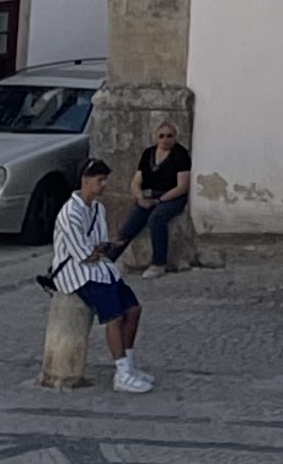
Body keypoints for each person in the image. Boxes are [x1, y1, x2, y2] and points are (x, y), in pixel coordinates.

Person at [51, 156, 153, 392]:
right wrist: (98, 249)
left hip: (101, 269)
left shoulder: (98, 208)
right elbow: (84, 254)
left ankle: (128, 363)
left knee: (133, 309)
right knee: (114, 316)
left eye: (105, 179)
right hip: (78, 273)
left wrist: (99, 249)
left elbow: (100, 245)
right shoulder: (69, 214)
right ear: (85, 181)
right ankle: (122, 372)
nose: (104, 184)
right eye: (100, 180)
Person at [114, 121, 192, 276]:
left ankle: (158, 263)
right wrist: (139, 197)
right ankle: (109, 259)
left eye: (169, 136)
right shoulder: (148, 153)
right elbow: (136, 181)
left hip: (172, 197)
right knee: (128, 227)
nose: (165, 139)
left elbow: (182, 186)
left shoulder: (180, 154)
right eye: (161, 136)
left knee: (157, 218)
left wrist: (160, 200)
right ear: (156, 137)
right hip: (149, 195)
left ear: (175, 137)